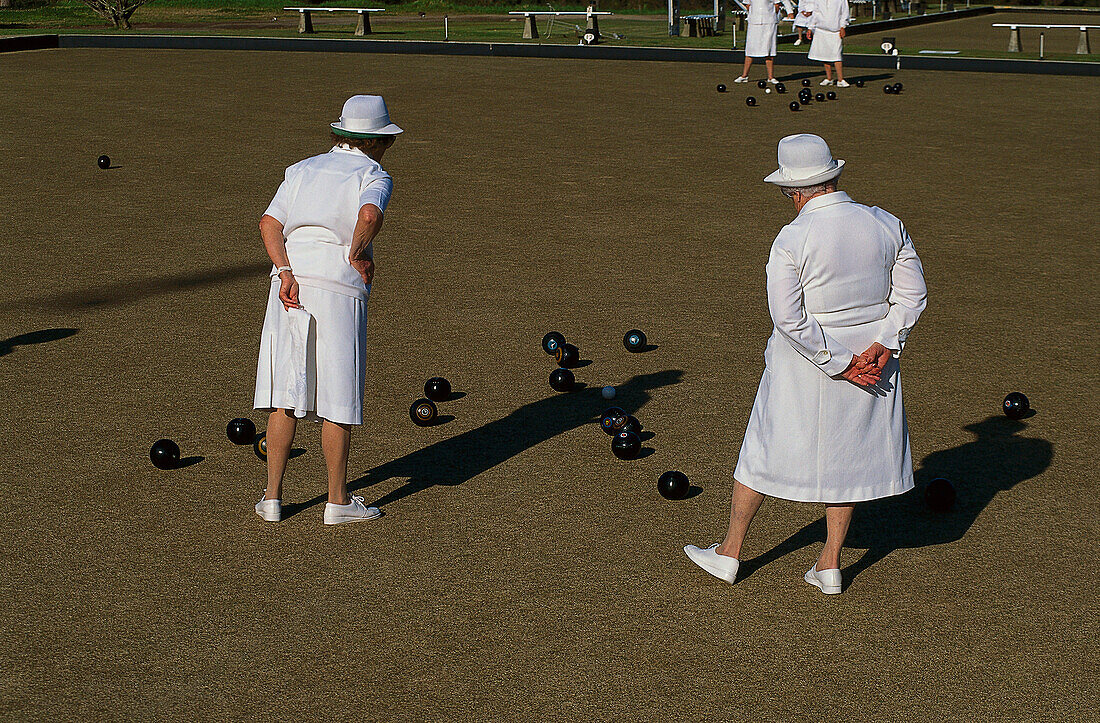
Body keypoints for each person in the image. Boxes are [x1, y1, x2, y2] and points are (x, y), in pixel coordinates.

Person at [684, 134, 927, 594]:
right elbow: (912, 294)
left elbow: (787, 317)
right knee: (850, 456)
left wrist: (837, 361)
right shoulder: (887, 223)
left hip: (806, 362)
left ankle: (729, 553)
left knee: (762, 447)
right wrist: (884, 343)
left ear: (794, 191)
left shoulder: (793, 237)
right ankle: (830, 564)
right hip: (875, 361)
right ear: (833, 176)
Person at [252, 95, 402, 526]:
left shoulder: (301, 169)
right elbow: (370, 215)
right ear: (376, 141)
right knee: (337, 396)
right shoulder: (374, 174)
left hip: (290, 283)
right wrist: (357, 253)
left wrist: (284, 271)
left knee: (285, 393)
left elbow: (268, 223)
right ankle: (337, 502)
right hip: (339, 287)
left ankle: (272, 500)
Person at [735, 0, 784, 84]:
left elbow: (777, 5)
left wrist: (770, 15)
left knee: (769, 49)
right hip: (754, 22)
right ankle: (744, 76)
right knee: (750, 48)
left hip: (769, 23)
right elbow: (748, 5)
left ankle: (770, 77)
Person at [807, 0, 850, 86]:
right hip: (821, 30)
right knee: (824, 55)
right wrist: (810, 27)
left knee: (837, 55)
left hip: (835, 31)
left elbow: (845, 12)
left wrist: (842, 26)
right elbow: (815, 13)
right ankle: (829, 78)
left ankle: (840, 80)